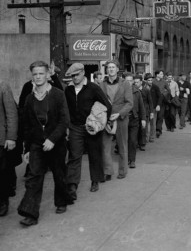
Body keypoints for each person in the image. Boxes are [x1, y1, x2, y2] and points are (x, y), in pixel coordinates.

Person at [17, 61, 71, 227]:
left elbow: (64, 121)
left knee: (59, 174)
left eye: (41, 73)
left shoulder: (57, 94)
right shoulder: (29, 98)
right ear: (32, 76)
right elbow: (26, 126)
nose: (38, 77)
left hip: (57, 143)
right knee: (34, 178)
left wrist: (52, 139)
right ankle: (30, 213)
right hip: (36, 144)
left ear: (48, 75)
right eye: (35, 74)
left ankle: (62, 200)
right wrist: (27, 149)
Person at [65, 63, 111, 200]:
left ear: (83, 73)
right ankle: (72, 185)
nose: (75, 78)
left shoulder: (93, 88)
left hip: (92, 127)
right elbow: (65, 109)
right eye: (72, 76)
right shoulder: (68, 90)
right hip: (75, 127)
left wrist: (101, 121)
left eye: (77, 75)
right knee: (74, 155)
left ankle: (95, 180)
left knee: (94, 154)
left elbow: (107, 105)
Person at [100, 60, 133, 180]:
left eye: (113, 67)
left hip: (121, 118)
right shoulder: (102, 84)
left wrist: (119, 114)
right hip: (106, 118)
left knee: (122, 145)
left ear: (117, 69)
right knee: (105, 146)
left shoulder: (125, 84)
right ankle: (108, 171)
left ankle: (122, 171)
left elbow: (129, 103)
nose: (111, 69)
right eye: (109, 67)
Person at [0, 81, 18, 217]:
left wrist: (11, 137)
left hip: (1, 139)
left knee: (2, 173)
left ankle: (2, 202)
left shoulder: (3, 86)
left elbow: (11, 114)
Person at [125, 73, 146, 168]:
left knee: (133, 140)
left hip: (134, 118)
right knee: (124, 140)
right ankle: (125, 159)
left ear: (133, 81)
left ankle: (132, 160)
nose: (129, 82)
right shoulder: (120, 91)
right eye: (127, 80)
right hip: (123, 118)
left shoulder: (137, 92)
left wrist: (143, 119)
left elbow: (142, 106)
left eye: (130, 80)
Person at [134, 75, 153, 151]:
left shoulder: (146, 90)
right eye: (134, 82)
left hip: (145, 112)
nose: (135, 84)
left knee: (143, 128)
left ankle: (142, 144)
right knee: (136, 128)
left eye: (137, 82)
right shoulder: (133, 91)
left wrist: (151, 112)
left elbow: (150, 101)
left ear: (141, 82)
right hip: (136, 112)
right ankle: (135, 143)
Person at [153, 70, 170, 138]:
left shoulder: (164, 82)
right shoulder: (153, 81)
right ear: (157, 75)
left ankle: (158, 130)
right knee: (155, 117)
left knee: (160, 116)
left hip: (162, 101)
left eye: (162, 74)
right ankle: (154, 129)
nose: (162, 75)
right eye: (161, 74)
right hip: (154, 101)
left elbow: (169, 90)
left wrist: (163, 94)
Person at [144, 73, 162, 143]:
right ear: (145, 81)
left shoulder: (155, 87)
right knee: (145, 123)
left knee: (153, 123)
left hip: (154, 108)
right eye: (148, 80)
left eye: (151, 80)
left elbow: (160, 96)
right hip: (145, 108)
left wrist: (158, 105)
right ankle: (145, 137)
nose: (150, 81)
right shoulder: (143, 87)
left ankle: (151, 137)